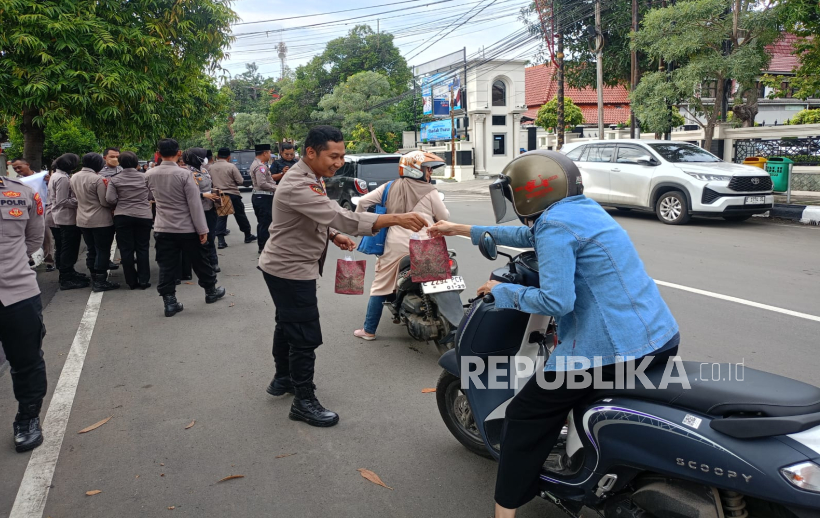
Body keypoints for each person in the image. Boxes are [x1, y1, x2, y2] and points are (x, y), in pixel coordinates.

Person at [427, 150, 680, 518]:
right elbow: (528, 234)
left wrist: (500, 292)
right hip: (658, 338)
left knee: (524, 417)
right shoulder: (582, 210)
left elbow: (556, 301)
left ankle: (506, 510)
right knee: (574, 400)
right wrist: (460, 229)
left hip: (606, 349)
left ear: (528, 193)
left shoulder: (555, 226)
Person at [258, 125, 429, 428]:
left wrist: (332, 235)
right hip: (290, 269)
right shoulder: (299, 183)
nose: (339, 162)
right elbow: (342, 216)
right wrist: (396, 218)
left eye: (342, 156)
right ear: (311, 152)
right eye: (333, 156)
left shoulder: (312, 177)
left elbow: (320, 218)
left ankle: (282, 379)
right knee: (304, 334)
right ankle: (303, 400)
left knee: (287, 324)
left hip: (286, 265)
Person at [0, 131, 48, 452]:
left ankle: (27, 417)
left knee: (26, 360)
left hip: (16, 291)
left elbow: (33, 239)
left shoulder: (22, 194)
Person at [353, 151, 450, 340]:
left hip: (396, 245)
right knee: (438, 280)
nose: (430, 173)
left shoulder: (388, 187)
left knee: (380, 285)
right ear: (416, 170)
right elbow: (444, 218)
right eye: (427, 169)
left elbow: (363, 202)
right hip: (427, 243)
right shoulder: (430, 191)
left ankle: (369, 331)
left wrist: (359, 225)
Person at [145, 139, 225, 317]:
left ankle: (169, 301)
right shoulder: (184, 174)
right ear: (178, 152)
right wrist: (202, 229)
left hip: (163, 227)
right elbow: (194, 204)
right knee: (200, 261)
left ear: (158, 153)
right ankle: (210, 291)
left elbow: (149, 195)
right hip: (186, 227)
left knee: (166, 265)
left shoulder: (150, 173)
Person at [71, 153, 120, 292]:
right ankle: (100, 280)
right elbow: (105, 201)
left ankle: (93, 275)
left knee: (91, 249)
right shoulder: (98, 179)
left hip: (82, 218)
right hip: (100, 220)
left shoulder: (74, 177)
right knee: (103, 250)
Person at [105, 151, 153, 290]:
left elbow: (110, 199)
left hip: (122, 216)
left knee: (126, 249)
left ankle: (131, 281)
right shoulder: (145, 178)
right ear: (137, 163)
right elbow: (150, 195)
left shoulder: (115, 179)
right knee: (143, 248)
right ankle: (144, 280)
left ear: (120, 163)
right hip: (143, 215)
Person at [49, 154, 89, 290]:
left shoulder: (57, 175)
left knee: (65, 246)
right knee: (69, 247)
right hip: (66, 217)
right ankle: (66, 277)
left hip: (63, 216)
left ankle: (69, 272)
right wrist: (81, 200)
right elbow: (62, 200)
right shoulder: (62, 178)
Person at [11, 158, 55, 272]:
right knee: (24, 235)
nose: (17, 170)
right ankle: (28, 258)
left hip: (42, 209)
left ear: (27, 164)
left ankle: (49, 260)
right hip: (24, 211)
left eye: (19, 167)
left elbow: (51, 190)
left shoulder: (42, 177)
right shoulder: (15, 182)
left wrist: (48, 181)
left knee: (46, 235)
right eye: (14, 168)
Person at [183, 147, 222, 274]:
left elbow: (209, 185)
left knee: (210, 236)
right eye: (203, 156)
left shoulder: (204, 170)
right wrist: (203, 195)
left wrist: (215, 192)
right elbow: (187, 194)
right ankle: (202, 263)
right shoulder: (186, 172)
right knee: (200, 238)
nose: (206, 158)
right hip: (197, 209)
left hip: (210, 207)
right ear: (196, 158)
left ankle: (213, 262)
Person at [209, 147, 256, 249]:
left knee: (221, 217)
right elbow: (240, 181)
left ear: (217, 156)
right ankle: (247, 235)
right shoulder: (231, 166)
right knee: (240, 215)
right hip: (232, 194)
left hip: (219, 195)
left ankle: (221, 241)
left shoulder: (211, 168)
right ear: (229, 157)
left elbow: (210, 182)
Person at [249, 144, 277, 252]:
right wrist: (276, 187)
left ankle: (263, 246)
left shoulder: (256, 164)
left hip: (260, 196)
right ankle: (264, 247)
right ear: (265, 153)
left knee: (263, 222)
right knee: (265, 223)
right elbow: (262, 183)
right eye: (269, 152)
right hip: (263, 197)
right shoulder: (261, 166)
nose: (270, 155)